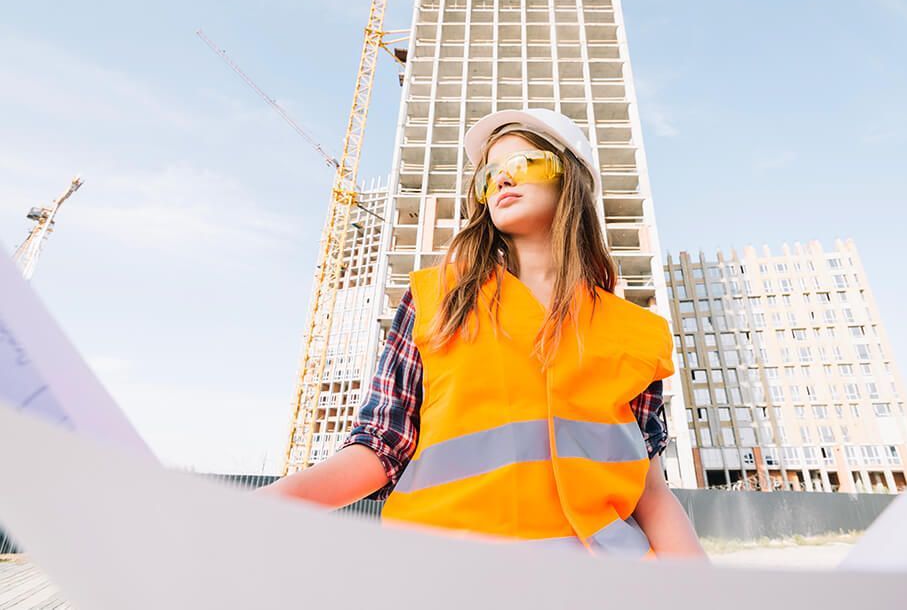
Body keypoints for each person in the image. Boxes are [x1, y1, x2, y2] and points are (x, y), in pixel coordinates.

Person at [260, 108, 706, 560]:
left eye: (521, 164)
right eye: (489, 175)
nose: (501, 182)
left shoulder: (639, 333)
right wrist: (268, 508)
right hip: (450, 576)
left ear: (568, 177)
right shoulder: (437, 299)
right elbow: (382, 445)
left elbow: (650, 492)